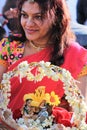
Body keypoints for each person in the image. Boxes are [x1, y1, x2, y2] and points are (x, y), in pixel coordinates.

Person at [0, 0, 87, 129]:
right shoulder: (9, 47)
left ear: (56, 18)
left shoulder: (76, 56)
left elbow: (79, 112)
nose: (28, 24)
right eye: (24, 15)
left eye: (38, 17)